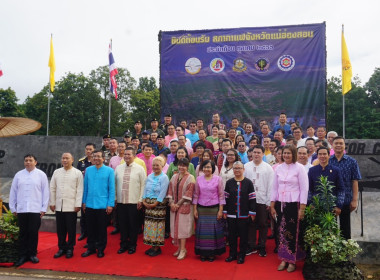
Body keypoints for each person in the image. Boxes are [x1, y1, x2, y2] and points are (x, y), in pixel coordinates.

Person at [270, 145, 308, 273]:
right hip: (281, 204)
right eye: (284, 153)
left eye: (288, 153)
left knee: (293, 232)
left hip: (294, 204)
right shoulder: (278, 168)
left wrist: (302, 208)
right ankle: (284, 258)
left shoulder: (300, 168)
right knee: (281, 231)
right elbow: (274, 187)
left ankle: (292, 260)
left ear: (294, 154)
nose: (286, 155)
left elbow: (304, 189)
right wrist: (272, 205)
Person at [9, 154, 49, 267]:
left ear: (35, 162)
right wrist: (13, 207)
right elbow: (13, 192)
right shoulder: (18, 175)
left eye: (30, 160)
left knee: (32, 232)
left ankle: (32, 254)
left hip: (35, 209)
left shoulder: (41, 175)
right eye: (26, 160)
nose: (28, 162)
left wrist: (43, 208)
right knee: (23, 233)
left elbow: (45, 192)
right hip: (21, 209)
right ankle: (22, 255)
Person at [82, 150, 115, 258]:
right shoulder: (88, 170)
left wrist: (110, 204)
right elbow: (85, 188)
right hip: (90, 204)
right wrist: (84, 202)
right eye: (94, 156)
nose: (96, 158)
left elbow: (112, 189)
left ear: (103, 158)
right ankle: (91, 248)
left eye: (98, 156)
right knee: (90, 228)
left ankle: (101, 249)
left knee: (101, 229)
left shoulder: (109, 171)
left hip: (103, 204)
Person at [50, 153, 83, 259]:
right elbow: (52, 188)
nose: (65, 160)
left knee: (71, 229)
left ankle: (70, 248)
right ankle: (61, 248)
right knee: (60, 229)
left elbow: (80, 190)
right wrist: (52, 202)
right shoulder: (56, 172)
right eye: (63, 158)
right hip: (59, 206)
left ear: (72, 160)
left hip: (72, 206)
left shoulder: (77, 173)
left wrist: (78, 204)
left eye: (67, 158)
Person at [114, 147, 147, 254]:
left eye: (129, 154)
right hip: (121, 201)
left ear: (134, 156)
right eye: (125, 154)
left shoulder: (140, 168)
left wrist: (140, 200)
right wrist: (115, 198)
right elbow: (114, 184)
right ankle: (123, 244)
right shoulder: (118, 168)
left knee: (133, 225)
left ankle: (132, 245)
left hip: (134, 202)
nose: (127, 156)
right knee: (122, 225)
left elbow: (143, 185)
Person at [224, 161, 256, 264]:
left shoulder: (248, 182)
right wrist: (224, 211)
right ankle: (232, 254)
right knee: (232, 236)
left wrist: (252, 212)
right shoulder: (229, 183)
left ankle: (241, 255)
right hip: (231, 214)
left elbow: (252, 199)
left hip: (244, 214)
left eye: (239, 168)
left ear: (243, 169)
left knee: (243, 236)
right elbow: (226, 198)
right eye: (235, 168)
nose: (237, 170)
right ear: (233, 170)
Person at [329, 136, 362, 239]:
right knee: (330, 227)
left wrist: (355, 200)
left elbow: (355, 181)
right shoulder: (328, 161)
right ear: (332, 145)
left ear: (344, 146)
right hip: (330, 199)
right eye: (336, 143)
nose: (338, 145)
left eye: (341, 143)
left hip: (346, 199)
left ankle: (345, 250)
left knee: (345, 228)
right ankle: (332, 250)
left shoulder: (352, 162)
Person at [244, 145, 274, 257]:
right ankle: (251, 245)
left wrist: (268, 202)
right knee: (250, 223)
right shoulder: (246, 166)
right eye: (254, 152)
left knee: (262, 223)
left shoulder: (268, 168)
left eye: (259, 152)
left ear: (263, 154)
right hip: (249, 201)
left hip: (262, 199)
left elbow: (271, 186)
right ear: (251, 154)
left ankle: (262, 245)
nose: (256, 154)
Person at [193, 160, 226, 262]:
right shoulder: (198, 179)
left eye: (209, 167)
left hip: (214, 209)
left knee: (213, 232)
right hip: (201, 209)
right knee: (202, 232)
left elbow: (221, 195)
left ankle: (212, 254)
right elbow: (196, 195)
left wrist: (220, 210)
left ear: (213, 169)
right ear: (202, 168)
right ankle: (203, 253)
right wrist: (195, 209)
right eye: (205, 167)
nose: (207, 169)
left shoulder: (218, 179)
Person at [167, 158, 195, 260]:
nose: (181, 167)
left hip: (184, 206)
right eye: (180, 165)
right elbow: (169, 190)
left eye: (184, 165)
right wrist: (171, 203)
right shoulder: (174, 176)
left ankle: (183, 249)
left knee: (182, 228)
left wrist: (177, 204)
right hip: (174, 206)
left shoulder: (191, 178)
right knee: (175, 227)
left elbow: (189, 193)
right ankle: (179, 248)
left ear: (187, 167)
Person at [142, 157, 170, 257]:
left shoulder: (164, 177)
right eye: (154, 165)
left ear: (162, 166)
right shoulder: (149, 176)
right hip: (148, 203)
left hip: (159, 205)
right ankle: (151, 245)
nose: (155, 167)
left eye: (157, 165)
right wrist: (144, 200)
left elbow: (163, 192)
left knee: (157, 226)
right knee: (149, 225)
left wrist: (155, 203)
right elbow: (145, 188)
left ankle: (157, 247)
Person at [308, 147, 345, 215]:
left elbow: (341, 189)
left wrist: (339, 206)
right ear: (317, 156)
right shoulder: (312, 170)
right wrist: (310, 204)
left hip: (331, 205)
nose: (322, 156)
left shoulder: (336, 170)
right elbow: (310, 189)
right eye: (320, 154)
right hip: (316, 206)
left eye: (324, 154)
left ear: (329, 156)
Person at [77, 143, 95, 241]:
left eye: (90, 149)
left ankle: (91, 233)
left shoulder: (96, 161)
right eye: (87, 149)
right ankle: (83, 232)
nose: (88, 151)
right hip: (84, 190)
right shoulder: (81, 162)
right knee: (83, 214)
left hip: (93, 190)